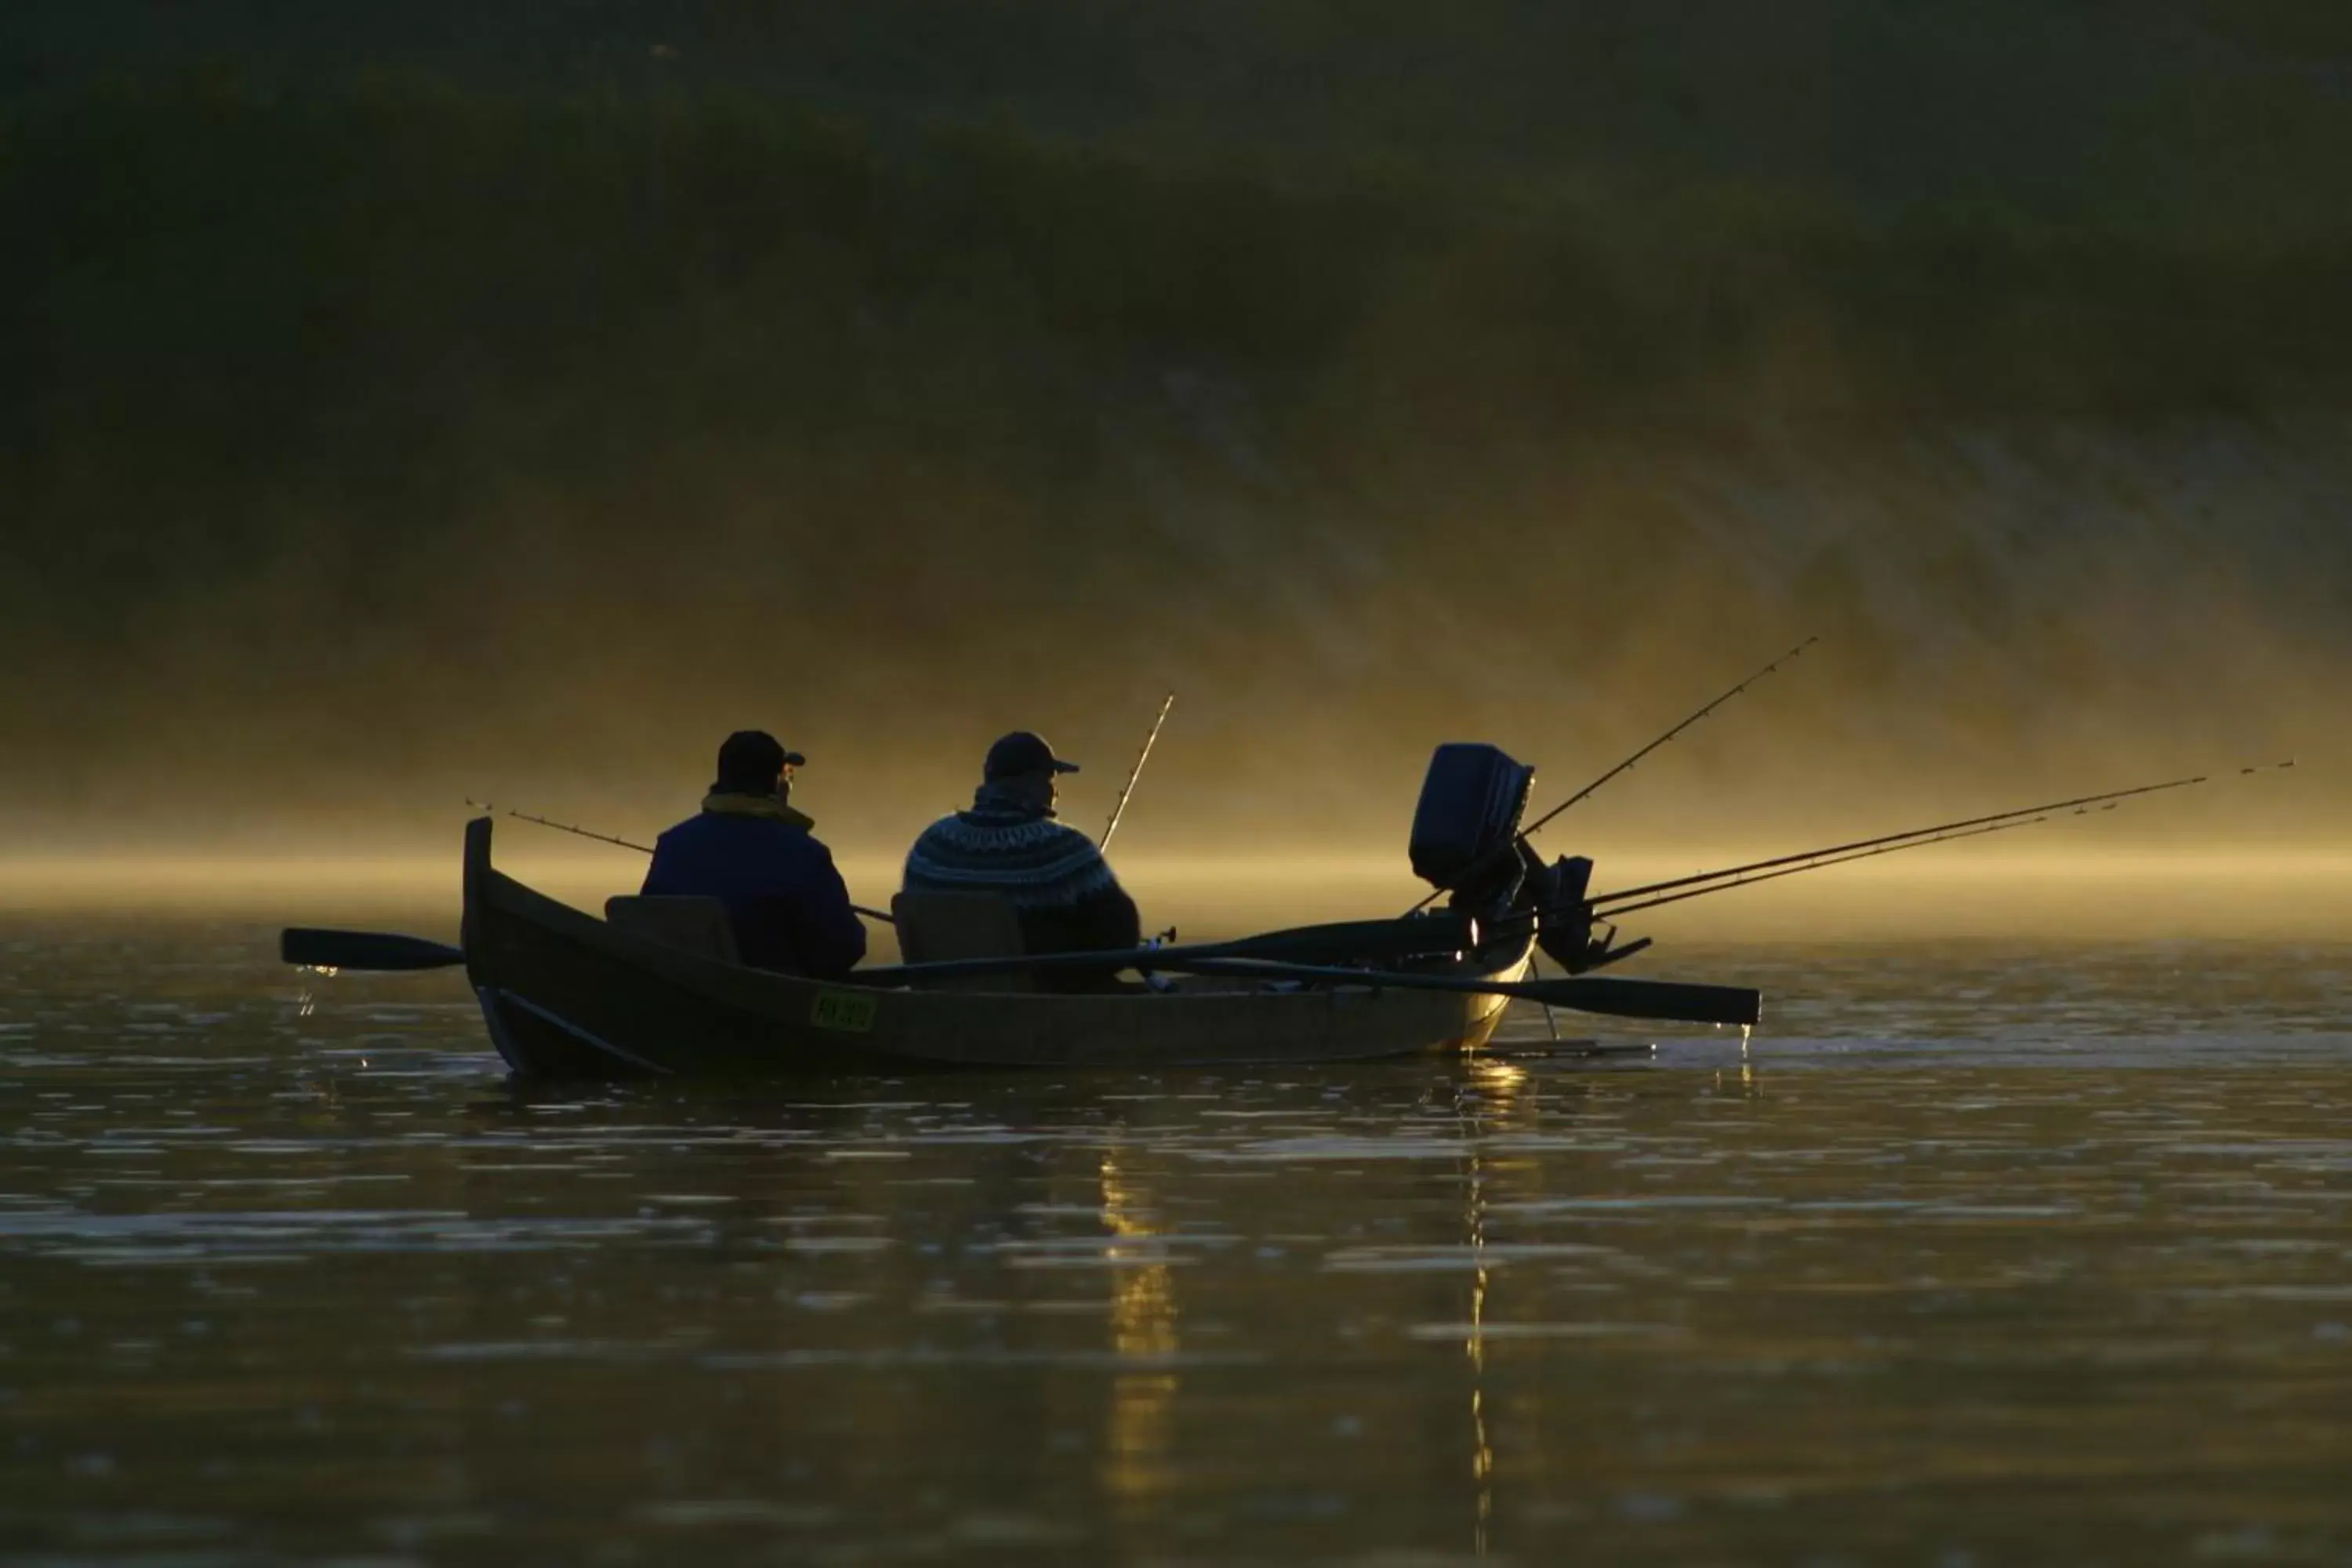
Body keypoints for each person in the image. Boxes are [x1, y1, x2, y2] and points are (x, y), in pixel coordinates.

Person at [902, 731, 1142, 989]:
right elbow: (1121, 941)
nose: (1055, 791)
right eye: (1052, 780)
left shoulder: (930, 846)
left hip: (941, 998)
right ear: (1038, 784)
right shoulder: (1063, 848)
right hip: (1038, 1006)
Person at [641, 730, 867, 978]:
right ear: (775, 784)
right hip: (776, 1000)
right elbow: (847, 947)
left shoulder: (671, 844)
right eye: (787, 779)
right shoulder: (803, 853)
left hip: (679, 989)